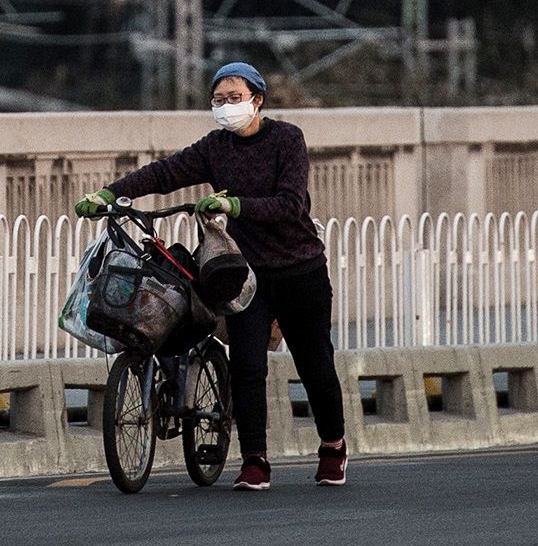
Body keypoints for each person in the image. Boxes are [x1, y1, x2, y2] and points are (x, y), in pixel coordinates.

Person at [76, 61, 347, 491]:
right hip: (246, 277)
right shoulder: (215, 148)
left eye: (234, 98)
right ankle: (255, 461)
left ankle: (333, 446)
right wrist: (112, 194)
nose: (226, 107)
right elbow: (166, 172)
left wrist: (234, 206)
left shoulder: (287, 140)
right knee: (246, 368)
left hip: (300, 271)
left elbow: (291, 204)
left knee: (315, 366)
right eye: (218, 100)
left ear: (257, 100)